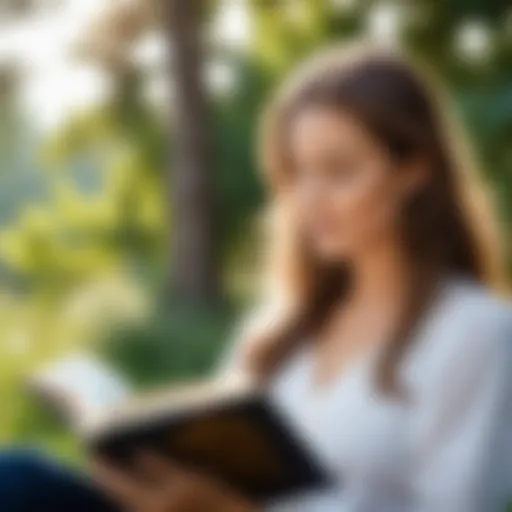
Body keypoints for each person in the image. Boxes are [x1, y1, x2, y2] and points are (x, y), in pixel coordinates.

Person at [1, 43, 512, 512]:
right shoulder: (286, 325)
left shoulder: (475, 332)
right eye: (296, 173)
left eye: (338, 171)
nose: (309, 201)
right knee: (16, 477)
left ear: (415, 171)